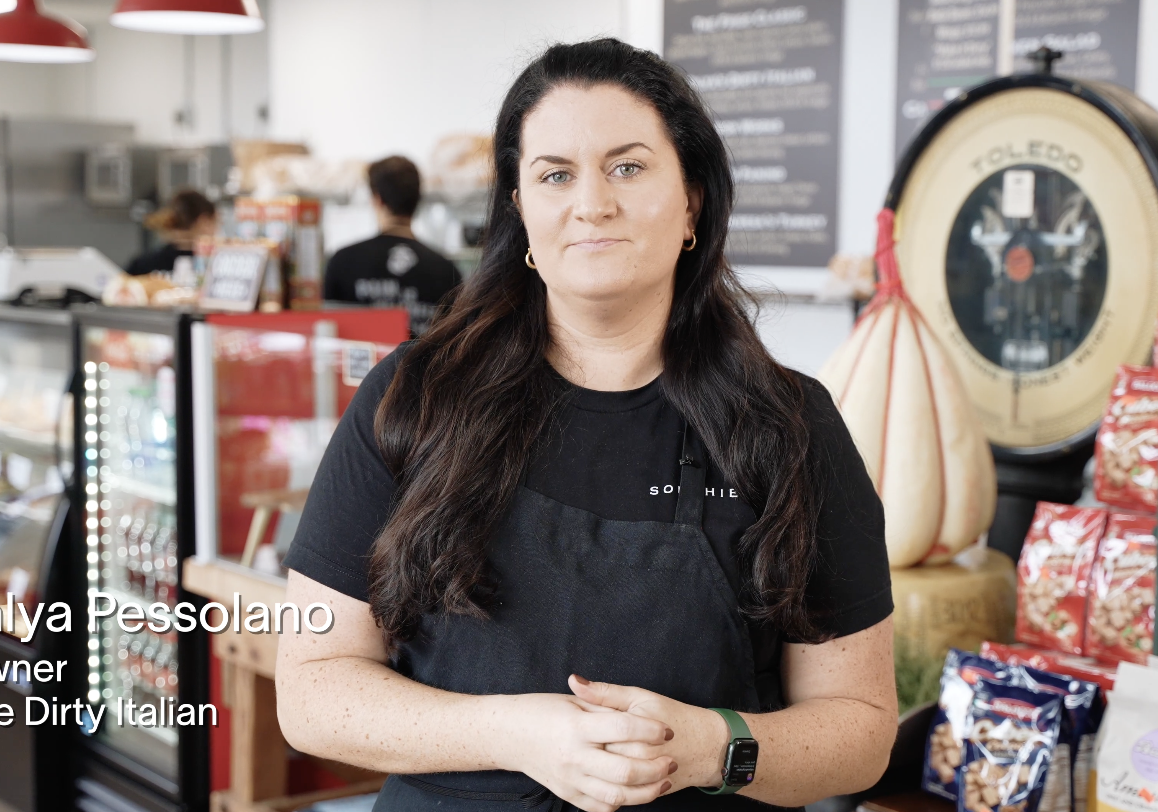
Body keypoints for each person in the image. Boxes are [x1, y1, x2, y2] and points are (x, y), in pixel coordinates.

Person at [276, 38, 895, 812]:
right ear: (519, 207)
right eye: (555, 174)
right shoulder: (413, 398)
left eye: (627, 167)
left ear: (693, 198)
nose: (592, 203)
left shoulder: (789, 427)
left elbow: (860, 729)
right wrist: (514, 734)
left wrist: (711, 748)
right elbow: (312, 689)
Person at [322, 156, 463, 335]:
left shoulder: (343, 262)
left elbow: (328, 335)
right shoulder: (447, 271)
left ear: (377, 199)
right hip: (423, 355)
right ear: (417, 199)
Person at [125, 189, 216, 276]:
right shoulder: (214, 265)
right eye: (216, 223)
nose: (216, 231)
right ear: (204, 222)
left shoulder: (143, 264)